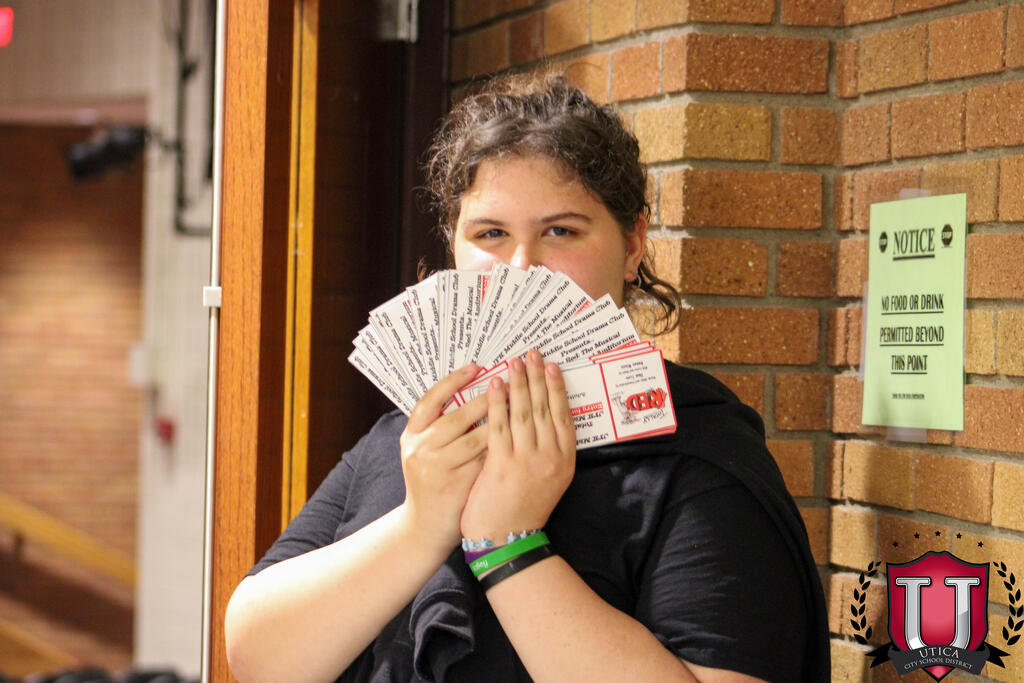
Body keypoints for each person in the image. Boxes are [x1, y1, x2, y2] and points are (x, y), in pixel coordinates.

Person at [224, 73, 830, 683]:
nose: (521, 266)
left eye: (561, 231)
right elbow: (257, 660)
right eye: (490, 233)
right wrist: (420, 525)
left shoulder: (696, 456)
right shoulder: (412, 441)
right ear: (453, 246)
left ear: (632, 245)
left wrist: (508, 546)